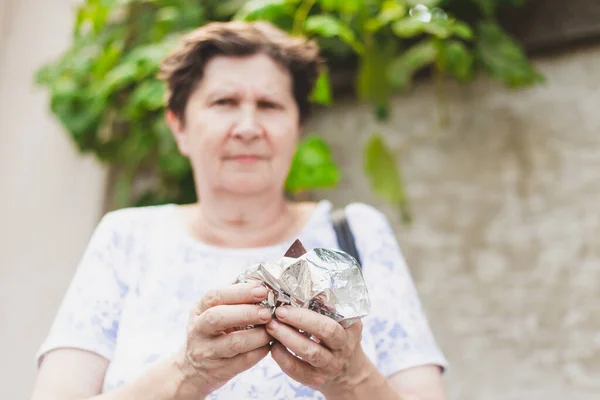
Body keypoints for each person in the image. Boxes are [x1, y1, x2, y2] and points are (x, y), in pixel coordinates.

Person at [31, 21, 448, 400]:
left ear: (297, 129)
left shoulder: (357, 233)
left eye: (269, 105)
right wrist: (188, 371)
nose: (248, 128)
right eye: (224, 102)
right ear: (179, 126)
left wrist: (348, 376)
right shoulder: (126, 238)